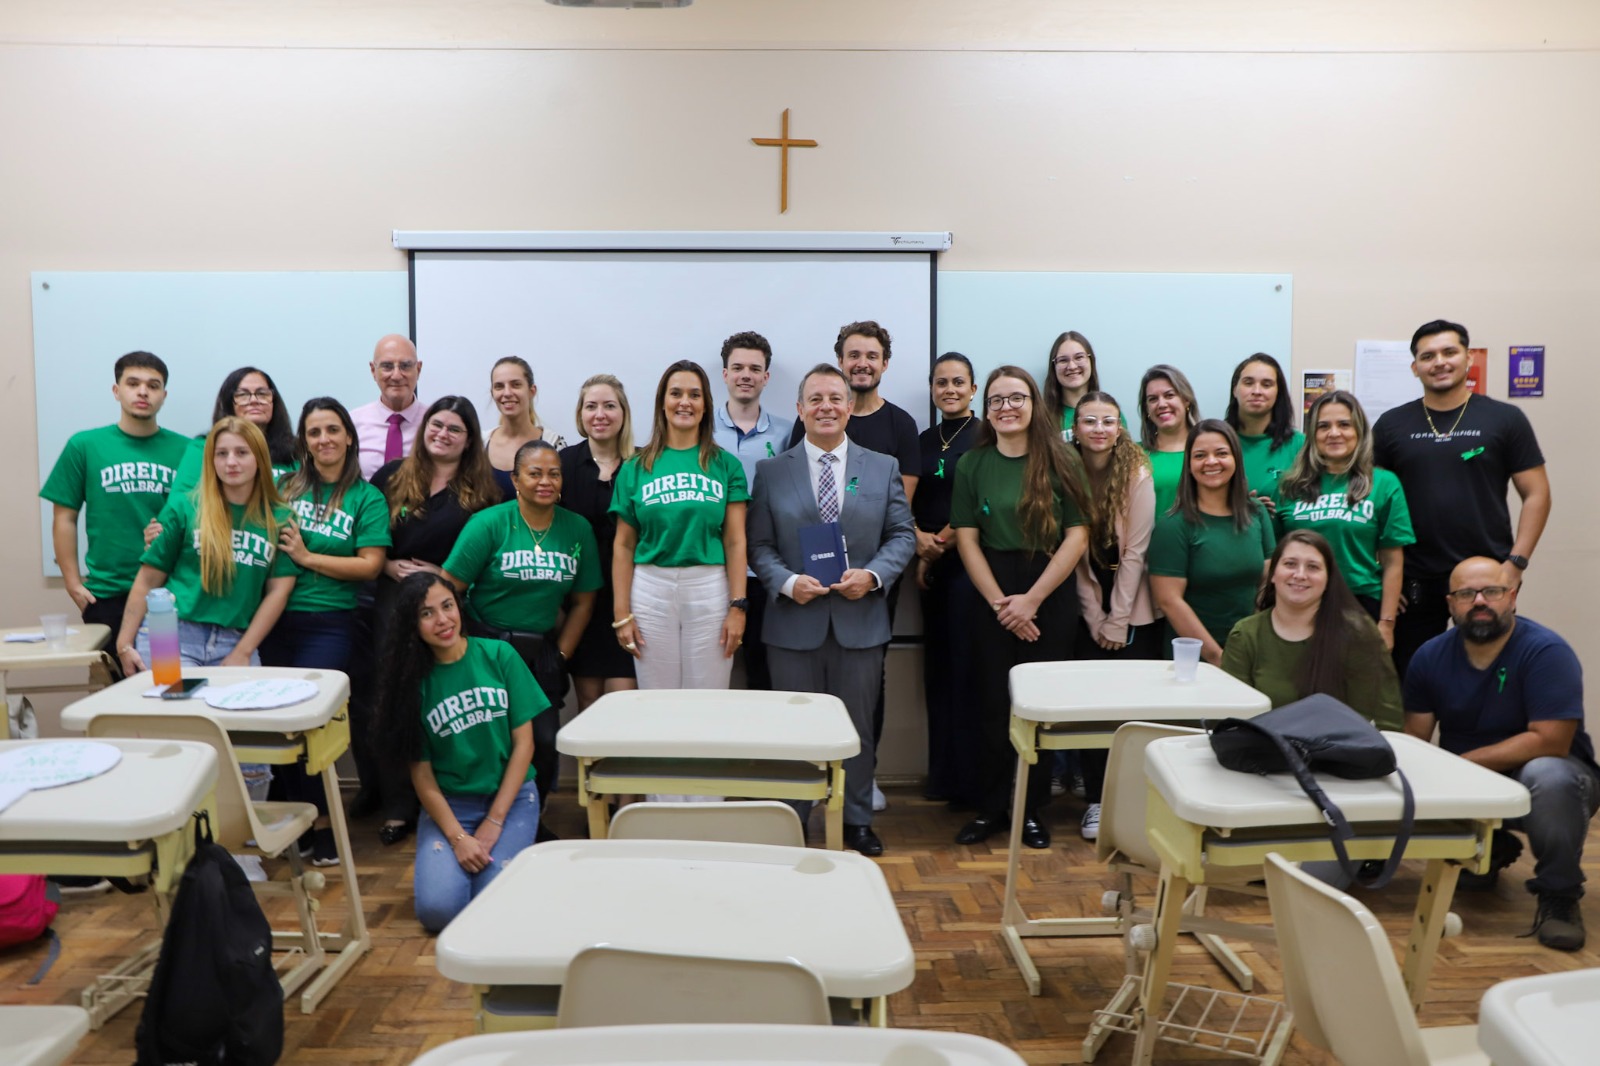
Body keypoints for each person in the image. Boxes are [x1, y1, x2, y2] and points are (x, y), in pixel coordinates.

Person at [748, 364, 915, 855]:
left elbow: (902, 536)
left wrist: (873, 575)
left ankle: (857, 820)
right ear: (800, 409)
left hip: (860, 622)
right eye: (815, 399)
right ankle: (794, 818)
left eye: (835, 398)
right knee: (794, 730)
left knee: (857, 728)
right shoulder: (771, 471)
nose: (826, 407)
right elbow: (758, 545)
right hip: (792, 625)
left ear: (849, 408)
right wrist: (787, 582)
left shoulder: (881, 466)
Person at [1403, 557, 1598, 951]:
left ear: (1512, 596)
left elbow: (1551, 741)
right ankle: (1489, 849)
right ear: (1450, 603)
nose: (1479, 601)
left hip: (1554, 785)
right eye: (1465, 594)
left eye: (1490, 591)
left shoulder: (1546, 651)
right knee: (1418, 777)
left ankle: (1559, 895)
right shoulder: (1429, 656)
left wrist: (1457, 766)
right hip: (1472, 785)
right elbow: (1415, 742)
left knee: (1547, 774)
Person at [116, 418, 300, 801]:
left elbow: (278, 591)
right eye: (222, 453)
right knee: (179, 742)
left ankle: (243, 838)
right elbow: (148, 579)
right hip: (171, 637)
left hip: (235, 641)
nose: (231, 462)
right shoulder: (185, 507)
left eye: (241, 452)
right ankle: (181, 833)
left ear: (259, 459)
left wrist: (244, 651)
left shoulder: (280, 517)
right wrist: (124, 643)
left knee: (252, 754)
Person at [951, 366, 1090, 850]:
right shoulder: (972, 464)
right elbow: (967, 540)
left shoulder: (1063, 459)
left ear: (1034, 404)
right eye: (996, 400)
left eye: (1016, 398)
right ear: (986, 410)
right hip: (992, 591)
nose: (1006, 407)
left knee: (1039, 709)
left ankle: (1030, 810)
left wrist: (1031, 601)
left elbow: (1077, 536)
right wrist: (1001, 605)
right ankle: (991, 808)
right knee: (993, 705)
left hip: (1048, 589)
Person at [1373, 319, 1550, 677]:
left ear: (1468, 358)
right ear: (1415, 367)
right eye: (1428, 356)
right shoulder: (1391, 425)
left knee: (1487, 676)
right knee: (1412, 679)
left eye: (1449, 352)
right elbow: (1371, 502)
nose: (1439, 362)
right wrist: (1383, 574)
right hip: (1414, 581)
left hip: (1486, 578)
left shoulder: (1505, 418)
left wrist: (1515, 564)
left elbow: (1537, 494)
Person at [362, 396, 500, 845]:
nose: (443, 434)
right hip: (392, 602)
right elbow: (366, 536)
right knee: (394, 696)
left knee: (444, 697)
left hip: (449, 606)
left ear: (469, 440)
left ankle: (450, 796)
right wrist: (386, 566)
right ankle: (398, 804)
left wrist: (445, 575)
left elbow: (489, 555)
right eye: (436, 425)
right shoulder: (391, 476)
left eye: (455, 429)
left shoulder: (484, 492)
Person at [375, 573, 547, 933]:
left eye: (447, 606)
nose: (442, 620)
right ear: (411, 625)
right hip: (452, 804)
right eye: (427, 614)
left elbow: (525, 745)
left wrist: (495, 820)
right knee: (438, 911)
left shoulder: (499, 655)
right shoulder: (410, 686)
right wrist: (458, 838)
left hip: (512, 798)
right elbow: (422, 776)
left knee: (492, 901)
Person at [261, 398, 391, 866]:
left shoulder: (366, 497)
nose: (324, 440)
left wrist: (307, 558)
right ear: (304, 441)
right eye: (314, 432)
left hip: (330, 623)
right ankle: (291, 818)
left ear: (349, 436)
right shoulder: (283, 488)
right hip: (273, 619)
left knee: (309, 721)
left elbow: (370, 565)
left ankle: (320, 823)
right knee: (274, 723)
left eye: (333, 430)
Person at [444, 439, 600, 819]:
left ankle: (531, 815)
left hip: (539, 654)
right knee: (491, 740)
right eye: (535, 473)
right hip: (487, 648)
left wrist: (560, 655)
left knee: (543, 741)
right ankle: (483, 815)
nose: (545, 481)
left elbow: (583, 602)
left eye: (554, 474)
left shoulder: (577, 528)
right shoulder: (488, 523)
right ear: (515, 480)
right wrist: (464, 650)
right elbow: (449, 590)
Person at [610, 360, 749, 691]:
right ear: (662, 402)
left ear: (706, 406)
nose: (685, 402)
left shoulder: (726, 465)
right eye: (676, 393)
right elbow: (624, 545)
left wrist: (738, 607)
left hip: (709, 587)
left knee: (708, 698)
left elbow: (735, 542)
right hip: (650, 588)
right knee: (657, 699)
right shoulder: (635, 467)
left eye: (694, 395)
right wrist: (621, 614)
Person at [41, 351, 189, 634]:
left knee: (168, 664)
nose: (143, 392)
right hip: (108, 591)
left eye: (153, 385)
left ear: (164, 395)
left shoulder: (187, 451)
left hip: (169, 589)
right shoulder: (84, 445)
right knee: (115, 665)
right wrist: (73, 584)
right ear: (116, 390)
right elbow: (64, 518)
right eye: (133, 383)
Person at [1070, 390, 1158, 840]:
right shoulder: (1066, 470)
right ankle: (1096, 801)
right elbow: (1074, 555)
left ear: (1120, 427)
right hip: (1084, 598)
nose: (1099, 429)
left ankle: (1135, 801)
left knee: (1131, 709)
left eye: (1108, 421)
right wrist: (1095, 617)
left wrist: (1117, 619)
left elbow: (1136, 553)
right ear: (1075, 429)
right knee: (1091, 709)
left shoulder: (1137, 472)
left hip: (1134, 600)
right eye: (1090, 421)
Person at [1221, 530, 1402, 728]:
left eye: (1313, 567)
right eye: (1290, 564)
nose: (1300, 575)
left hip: (1339, 745)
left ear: (1328, 579)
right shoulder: (1245, 635)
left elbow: (1385, 717)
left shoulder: (1357, 633)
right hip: (1260, 744)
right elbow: (1232, 717)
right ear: (1273, 574)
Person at [1276, 390, 1413, 647]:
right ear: (1312, 434)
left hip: (1360, 604)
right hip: (1299, 603)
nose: (1334, 433)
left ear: (1359, 431)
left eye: (1344, 424)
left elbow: (1393, 561)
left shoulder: (1384, 483)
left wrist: (1387, 623)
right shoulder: (1290, 486)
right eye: (1323, 426)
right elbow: (1274, 555)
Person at [913, 353, 984, 808]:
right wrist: (919, 543)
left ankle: (968, 782)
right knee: (936, 672)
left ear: (973, 389)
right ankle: (941, 776)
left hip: (969, 567)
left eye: (959, 382)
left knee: (967, 672)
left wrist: (936, 545)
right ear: (932, 389)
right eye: (941, 382)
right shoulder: (922, 439)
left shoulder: (986, 436)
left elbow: (979, 503)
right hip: (929, 568)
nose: (950, 390)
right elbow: (905, 498)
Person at [1148, 419, 1276, 666]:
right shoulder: (1173, 525)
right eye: (1200, 455)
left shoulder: (1257, 512)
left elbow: (1266, 581)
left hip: (1251, 649)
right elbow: (1169, 601)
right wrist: (1219, 658)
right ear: (1189, 464)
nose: (1211, 462)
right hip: (1195, 659)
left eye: (1221, 453)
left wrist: (1249, 644)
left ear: (1236, 459)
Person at [711, 331, 793, 692]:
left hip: (764, 570)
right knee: (712, 670)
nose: (746, 375)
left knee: (764, 674)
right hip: (713, 568)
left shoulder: (788, 433)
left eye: (755, 369)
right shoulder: (700, 430)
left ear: (766, 377)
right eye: (738, 367)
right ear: (725, 374)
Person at [560, 375, 639, 711]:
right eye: (591, 406)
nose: (600, 414)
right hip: (581, 601)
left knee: (625, 702)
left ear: (624, 413)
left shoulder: (643, 463)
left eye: (609, 406)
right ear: (580, 414)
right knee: (589, 702)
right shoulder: (562, 464)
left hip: (634, 598)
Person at [170, 366, 297, 494]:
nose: (254, 400)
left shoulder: (295, 451)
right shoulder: (203, 447)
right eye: (242, 395)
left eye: (262, 394)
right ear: (228, 403)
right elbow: (181, 499)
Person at [1224, 353, 1304, 503]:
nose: (1257, 391)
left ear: (1278, 392)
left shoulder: (1300, 445)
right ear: (1235, 389)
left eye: (1266, 385)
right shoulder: (1218, 442)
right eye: (1248, 383)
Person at [485, 356, 566, 500]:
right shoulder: (480, 443)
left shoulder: (554, 444)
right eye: (499, 386)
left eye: (516, 385)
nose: (507, 393)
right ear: (492, 393)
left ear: (531, 391)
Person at [353, 334, 426, 479]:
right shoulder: (352, 424)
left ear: (418, 369)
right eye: (387, 366)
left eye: (405, 366)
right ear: (373, 371)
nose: (396, 376)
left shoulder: (435, 426)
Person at [1137, 364, 1200, 517]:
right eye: (1153, 399)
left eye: (1169, 395)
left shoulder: (1207, 451)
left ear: (1186, 400)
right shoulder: (1134, 454)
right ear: (1147, 409)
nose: (1162, 404)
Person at [1043, 331, 1117, 442]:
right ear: (1054, 366)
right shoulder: (1041, 417)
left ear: (1091, 361)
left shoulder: (1110, 413)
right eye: (1063, 360)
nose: (1072, 366)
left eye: (1079, 357)